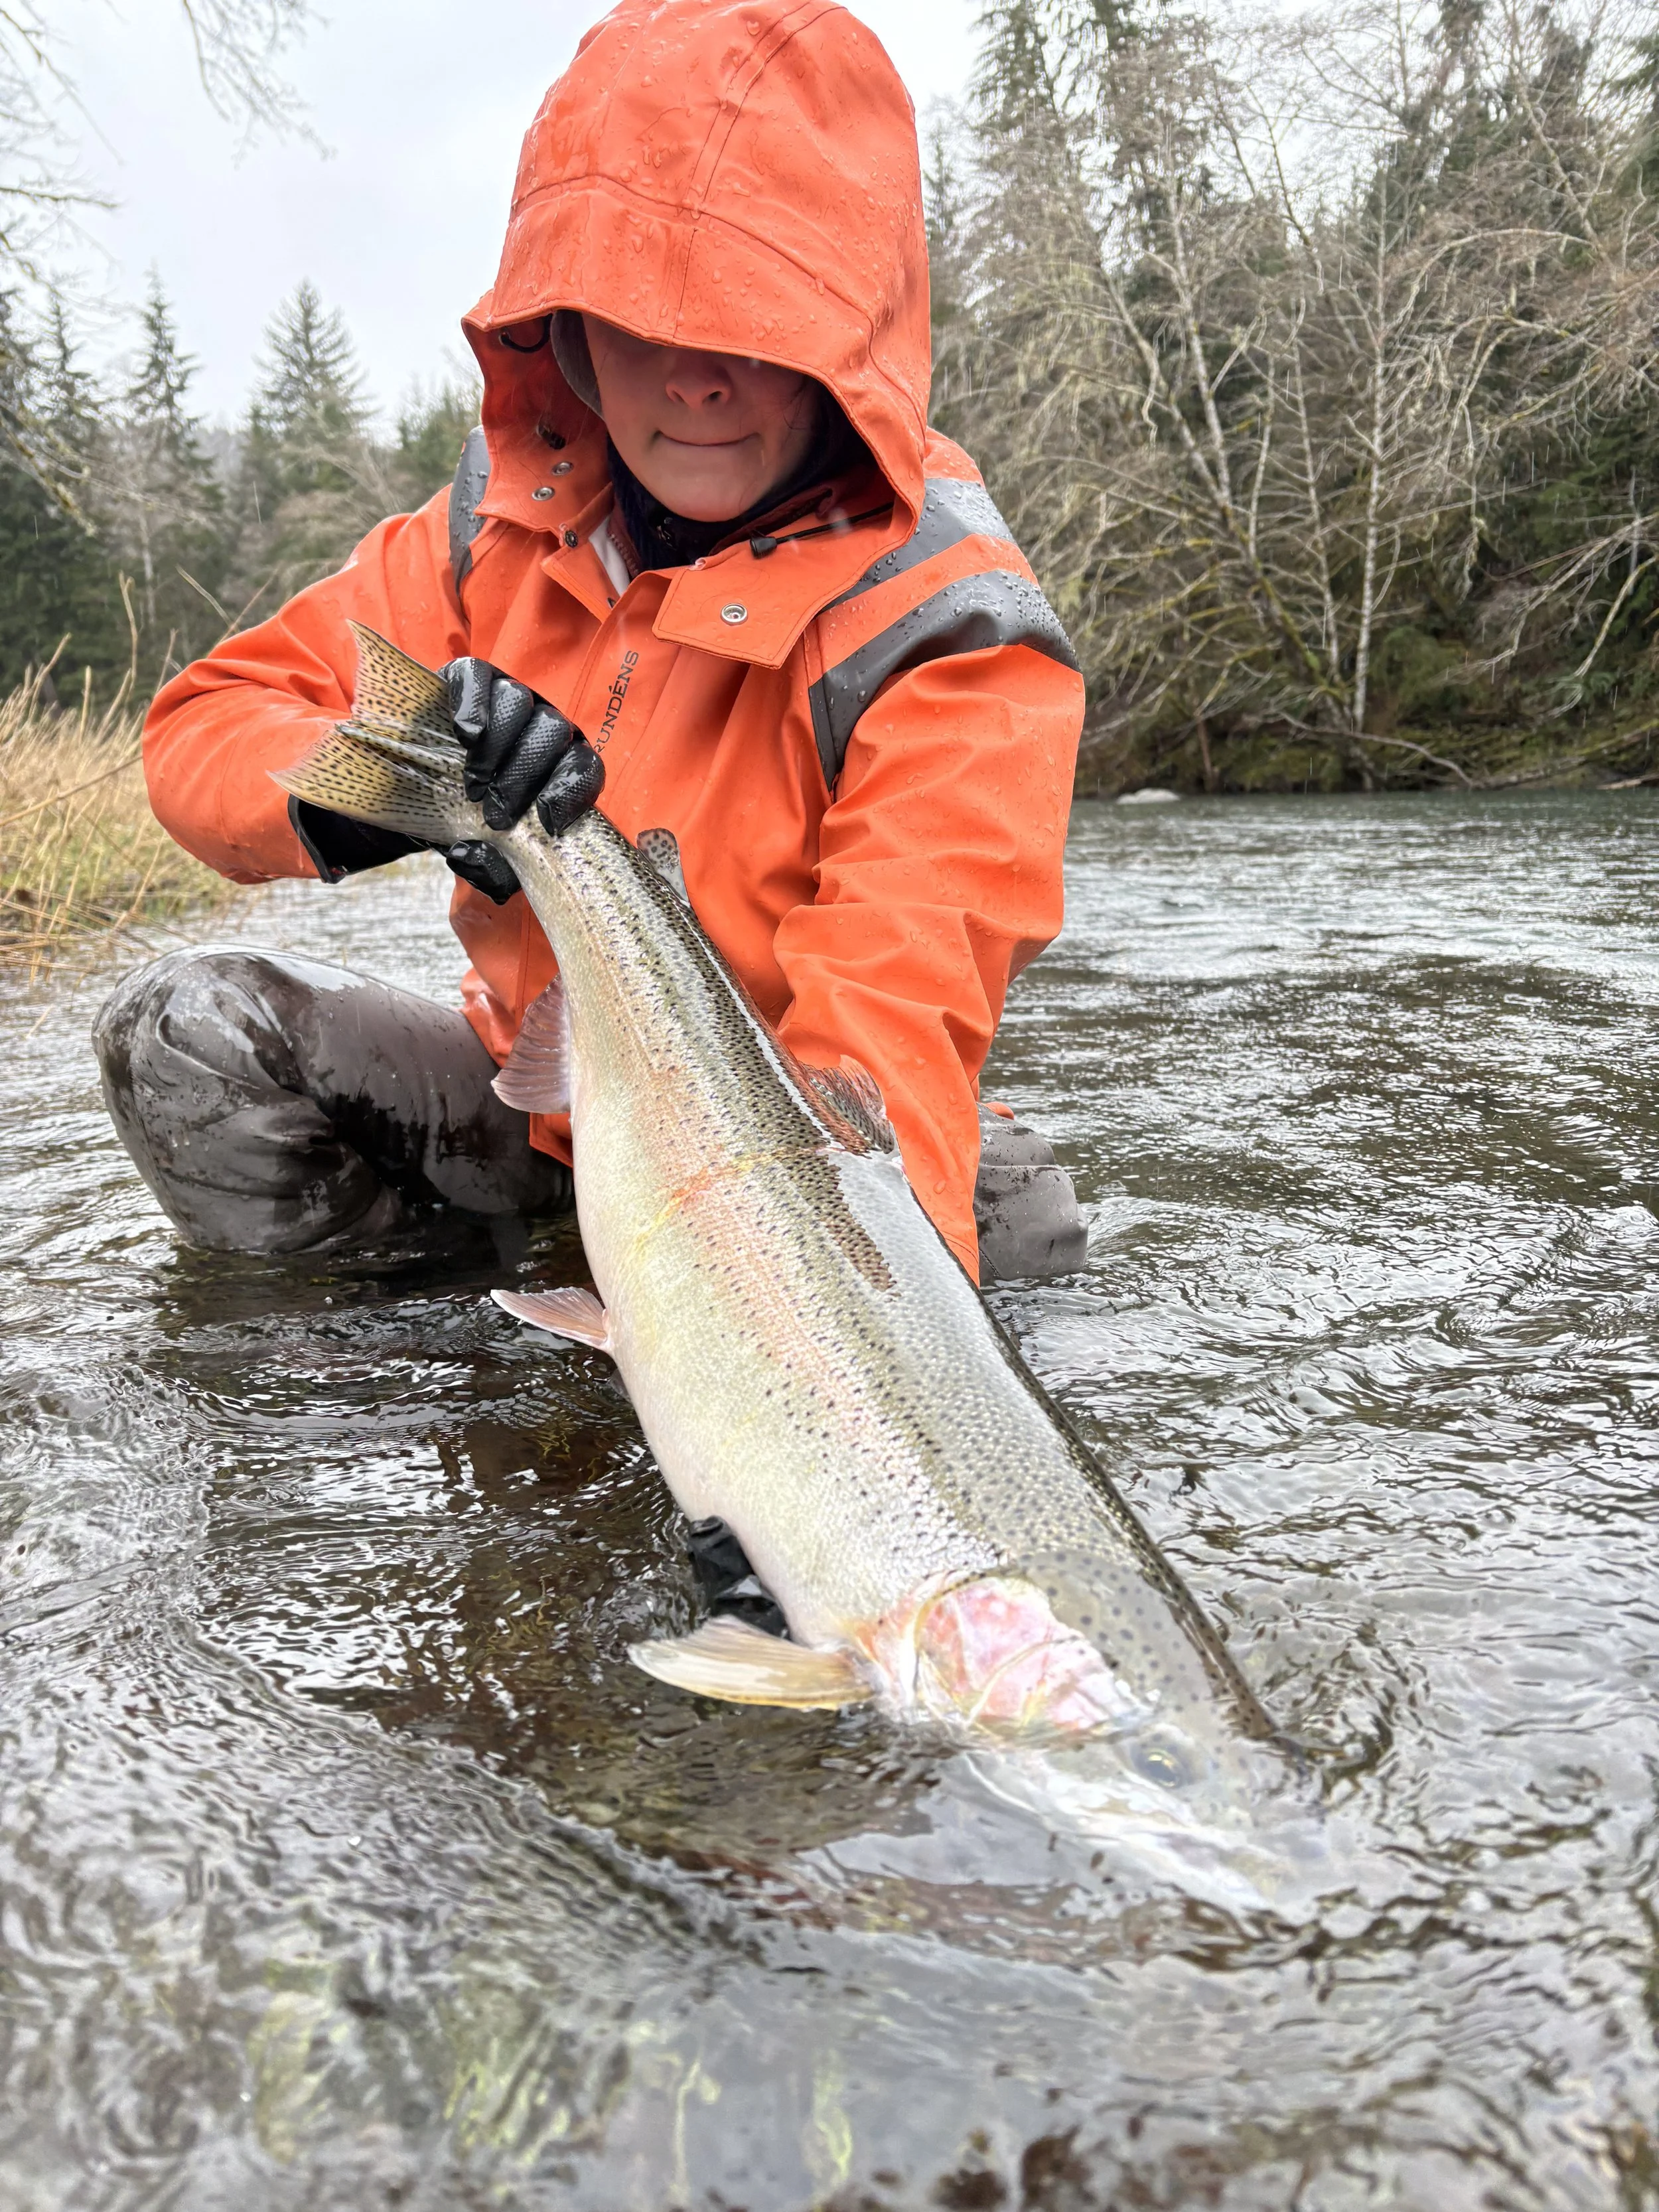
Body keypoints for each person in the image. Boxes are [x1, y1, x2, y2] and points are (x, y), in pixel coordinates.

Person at [95, 0, 1088, 1290]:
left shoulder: (951, 627)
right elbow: (201, 728)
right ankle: (422, 1351)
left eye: (753, 318)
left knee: (1006, 1238)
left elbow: (885, 1035)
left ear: (846, 332)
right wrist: (388, 785)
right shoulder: (483, 531)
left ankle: (684, 1356)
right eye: (645, 315)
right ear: (564, 323)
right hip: (531, 1102)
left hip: (795, 1128)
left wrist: (793, 1416)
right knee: (186, 1033)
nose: (695, 379)